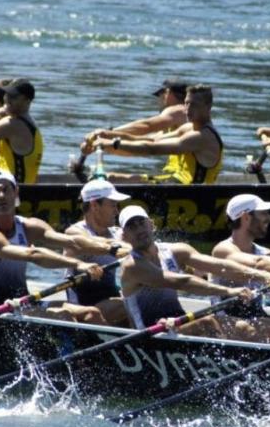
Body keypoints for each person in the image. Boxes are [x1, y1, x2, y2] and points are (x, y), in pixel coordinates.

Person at [0, 169, 114, 322]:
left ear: (16, 192)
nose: (1, 196)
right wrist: (78, 263)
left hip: (25, 303)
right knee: (64, 316)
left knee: (91, 313)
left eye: (6, 190)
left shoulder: (28, 226)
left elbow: (71, 241)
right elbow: (33, 255)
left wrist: (112, 248)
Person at [117, 205, 269, 339]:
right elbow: (182, 282)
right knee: (208, 322)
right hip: (148, 334)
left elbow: (219, 266)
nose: (139, 230)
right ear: (124, 236)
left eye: (141, 223)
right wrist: (229, 290)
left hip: (176, 323)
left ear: (151, 225)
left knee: (242, 326)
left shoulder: (175, 250)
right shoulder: (132, 266)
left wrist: (267, 276)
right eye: (132, 227)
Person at [89, 83, 224, 184]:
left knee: (112, 179)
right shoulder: (188, 128)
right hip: (174, 182)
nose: (188, 109)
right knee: (111, 178)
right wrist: (109, 135)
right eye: (187, 103)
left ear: (208, 106)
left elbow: (153, 149)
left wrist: (114, 143)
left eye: (194, 105)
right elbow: (152, 141)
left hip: (189, 192)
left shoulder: (202, 137)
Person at [209, 193, 270, 344]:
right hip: (223, 323)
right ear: (246, 217)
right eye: (263, 213)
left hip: (256, 318)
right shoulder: (223, 250)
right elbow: (257, 263)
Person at [77, 79, 190, 180]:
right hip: (175, 177)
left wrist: (108, 132)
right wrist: (103, 145)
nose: (159, 101)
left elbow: (146, 125)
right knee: (111, 177)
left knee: (111, 178)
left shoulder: (179, 110)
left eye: (159, 95)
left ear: (168, 93)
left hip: (185, 181)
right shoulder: (174, 125)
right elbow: (138, 144)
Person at [62, 178, 133, 325]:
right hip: (84, 307)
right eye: (113, 205)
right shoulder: (74, 232)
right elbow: (91, 243)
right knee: (131, 304)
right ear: (94, 205)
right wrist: (128, 248)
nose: (116, 211)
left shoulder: (118, 233)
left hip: (110, 301)